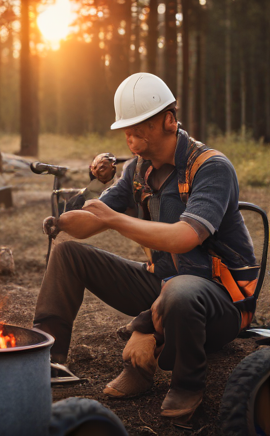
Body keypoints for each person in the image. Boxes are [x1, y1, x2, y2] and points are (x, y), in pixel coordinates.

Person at [34, 72, 258, 420]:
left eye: (141, 125)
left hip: (219, 302)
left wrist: (144, 325)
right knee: (67, 254)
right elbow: (94, 219)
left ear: (169, 121)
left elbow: (185, 239)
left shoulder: (211, 168)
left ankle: (186, 384)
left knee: (181, 291)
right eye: (126, 127)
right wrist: (64, 221)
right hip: (162, 285)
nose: (130, 134)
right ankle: (46, 357)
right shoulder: (138, 170)